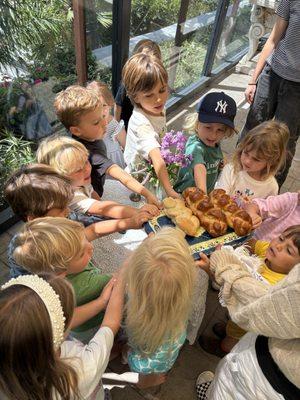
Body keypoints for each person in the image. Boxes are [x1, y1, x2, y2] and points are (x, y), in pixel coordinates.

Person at [195, 245, 300, 400]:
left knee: (229, 391)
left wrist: (220, 266)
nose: (279, 245)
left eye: (289, 250)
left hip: (267, 380)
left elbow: (262, 308)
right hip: (273, 363)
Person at [0, 272, 124, 400]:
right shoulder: (83, 368)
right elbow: (110, 324)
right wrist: (122, 277)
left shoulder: (10, 367)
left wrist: (101, 302)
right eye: (66, 316)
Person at [11, 217, 116, 342]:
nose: (90, 247)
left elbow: (93, 231)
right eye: (82, 254)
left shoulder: (53, 272)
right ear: (61, 272)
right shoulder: (86, 284)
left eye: (85, 239)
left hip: (76, 327)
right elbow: (122, 276)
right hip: (92, 327)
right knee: (105, 342)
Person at [54, 84, 160, 207]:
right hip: (87, 200)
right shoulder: (89, 153)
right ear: (76, 130)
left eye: (103, 116)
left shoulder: (89, 137)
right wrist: (147, 194)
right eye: (96, 122)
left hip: (93, 192)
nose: (105, 123)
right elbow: (119, 174)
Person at [36, 135, 158, 232]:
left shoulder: (79, 179)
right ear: (61, 177)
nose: (87, 169)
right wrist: (138, 213)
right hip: (77, 228)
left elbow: (95, 196)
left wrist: (104, 208)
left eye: (86, 162)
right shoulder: (71, 196)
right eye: (78, 169)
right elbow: (102, 208)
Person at [123, 227, 197, 387]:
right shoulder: (179, 305)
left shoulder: (133, 292)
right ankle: (147, 380)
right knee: (150, 368)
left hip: (144, 356)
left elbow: (144, 365)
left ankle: (144, 382)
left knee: (143, 371)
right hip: (155, 354)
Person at [211, 225, 300, 354]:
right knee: (231, 323)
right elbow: (250, 242)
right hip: (239, 305)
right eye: (281, 238)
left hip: (248, 320)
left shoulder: (276, 285)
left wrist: (214, 267)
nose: (278, 246)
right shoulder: (267, 250)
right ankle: (227, 330)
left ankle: (224, 349)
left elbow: (237, 291)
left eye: (289, 251)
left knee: (233, 337)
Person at [239, 0, 300, 187]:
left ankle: (269, 197)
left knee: (285, 143)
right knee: (252, 127)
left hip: (297, 89)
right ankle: (233, 178)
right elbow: (273, 39)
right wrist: (253, 80)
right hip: (272, 73)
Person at [122, 53, 179, 199]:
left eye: (162, 90)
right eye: (149, 95)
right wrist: (169, 190)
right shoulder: (141, 124)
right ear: (135, 96)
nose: (159, 99)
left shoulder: (157, 108)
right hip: (139, 179)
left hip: (151, 171)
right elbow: (157, 158)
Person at [174, 92, 237, 194]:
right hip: (186, 197)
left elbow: (217, 154)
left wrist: (221, 162)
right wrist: (204, 196)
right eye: (208, 127)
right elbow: (200, 169)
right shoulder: (195, 147)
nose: (213, 135)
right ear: (197, 123)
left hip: (204, 195)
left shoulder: (213, 142)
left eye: (220, 130)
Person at [215, 120, 289, 204]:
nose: (247, 161)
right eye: (246, 153)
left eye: (256, 159)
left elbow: (265, 213)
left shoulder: (271, 187)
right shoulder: (231, 170)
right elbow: (218, 199)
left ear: (272, 162)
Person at [114, 39, 162, 130]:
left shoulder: (156, 80)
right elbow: (118, 104)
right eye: (144, 57)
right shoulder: (128, 81)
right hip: (127, 125)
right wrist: (117, 127)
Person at [87, 80, 126, 168]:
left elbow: (128, 149)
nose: (100, 111)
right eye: (95, 106)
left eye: (104, 105)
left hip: (117, 171)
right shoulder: (88, 127)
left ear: (110, 104)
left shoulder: (116, 127)